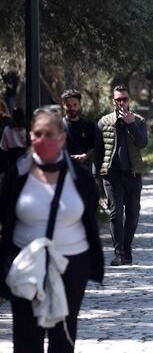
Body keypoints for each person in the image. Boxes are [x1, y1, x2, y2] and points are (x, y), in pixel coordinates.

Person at [0, 108, 104, 352]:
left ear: (62, 138)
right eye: (38, 133)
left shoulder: (80, 177)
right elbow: (6, 215)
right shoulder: (17, 175)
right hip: (25, 263)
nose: (43, 139)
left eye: (50, 134)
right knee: (27, 338)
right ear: (30, 136)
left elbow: (90, 216)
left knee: (63, 337)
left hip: (71, 264)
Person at [95, 85, 148, 266]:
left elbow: (143, 143)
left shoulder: (139, 120)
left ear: (129, 100)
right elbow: (98, 151)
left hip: (133, 174)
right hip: (112, 175)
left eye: (124, 99)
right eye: (118, 99)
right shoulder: (104, 122)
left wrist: (131, 123)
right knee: (116, 214)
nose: (121, 103)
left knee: (133, 214)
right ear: (113, 101)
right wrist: (97, 176)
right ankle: (119, 253)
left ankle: (127, 248)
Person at [60, 89, 99, 170]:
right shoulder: (57, 126)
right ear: (64, 105)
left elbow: (95, 147)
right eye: (68, 105)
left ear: (79, 104)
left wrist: (85, 156)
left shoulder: (89, 125)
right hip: (63, 169)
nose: (72, 108)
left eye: (75, 105)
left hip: (84, 170)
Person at [0, 107, 27, 173]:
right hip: (24, 158)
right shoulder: (26, 130)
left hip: (11, 159)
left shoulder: (7, 130)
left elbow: (3, 147)